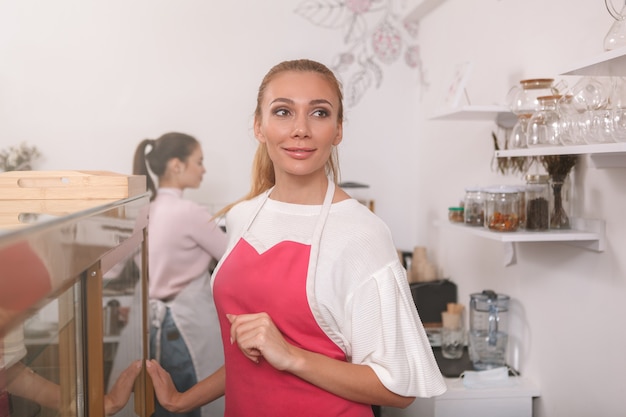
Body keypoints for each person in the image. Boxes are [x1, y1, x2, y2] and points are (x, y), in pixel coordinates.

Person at [145, 59, 447, 416]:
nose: (300, 129)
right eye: (283, 111)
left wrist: (291, 356)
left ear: (338, 130)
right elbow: (252, 357)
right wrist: (183, 400)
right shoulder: (243, 216)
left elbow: (399, 388)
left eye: (319, 113)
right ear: (259, 126)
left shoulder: (362, 232)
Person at [132, 132, 228, 417]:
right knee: (187, 404)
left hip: (153, 327)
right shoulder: (190, 212)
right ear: (176, 165)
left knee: (161, 405)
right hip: (185, 327)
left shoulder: (143, 211)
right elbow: (233, 258)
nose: (203, 169)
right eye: (198, 161)